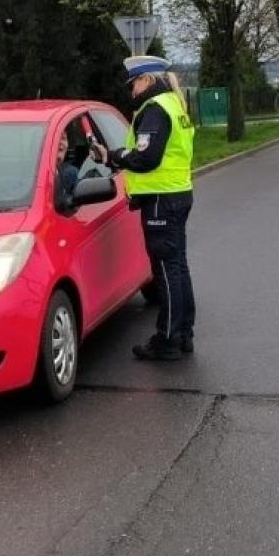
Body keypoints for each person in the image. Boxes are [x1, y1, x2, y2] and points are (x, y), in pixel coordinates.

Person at [90, 55, 197, 361]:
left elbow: (146, 159)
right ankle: (183, 332)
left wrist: (117, 156)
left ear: (147, 79)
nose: (132, 90)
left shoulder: (154, 109)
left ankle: (168, 339)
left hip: (161, 199)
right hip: (177, 193)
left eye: (134, 82)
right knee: (177, 266)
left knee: (166, 270)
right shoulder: (174, 104)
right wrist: (112, 156)